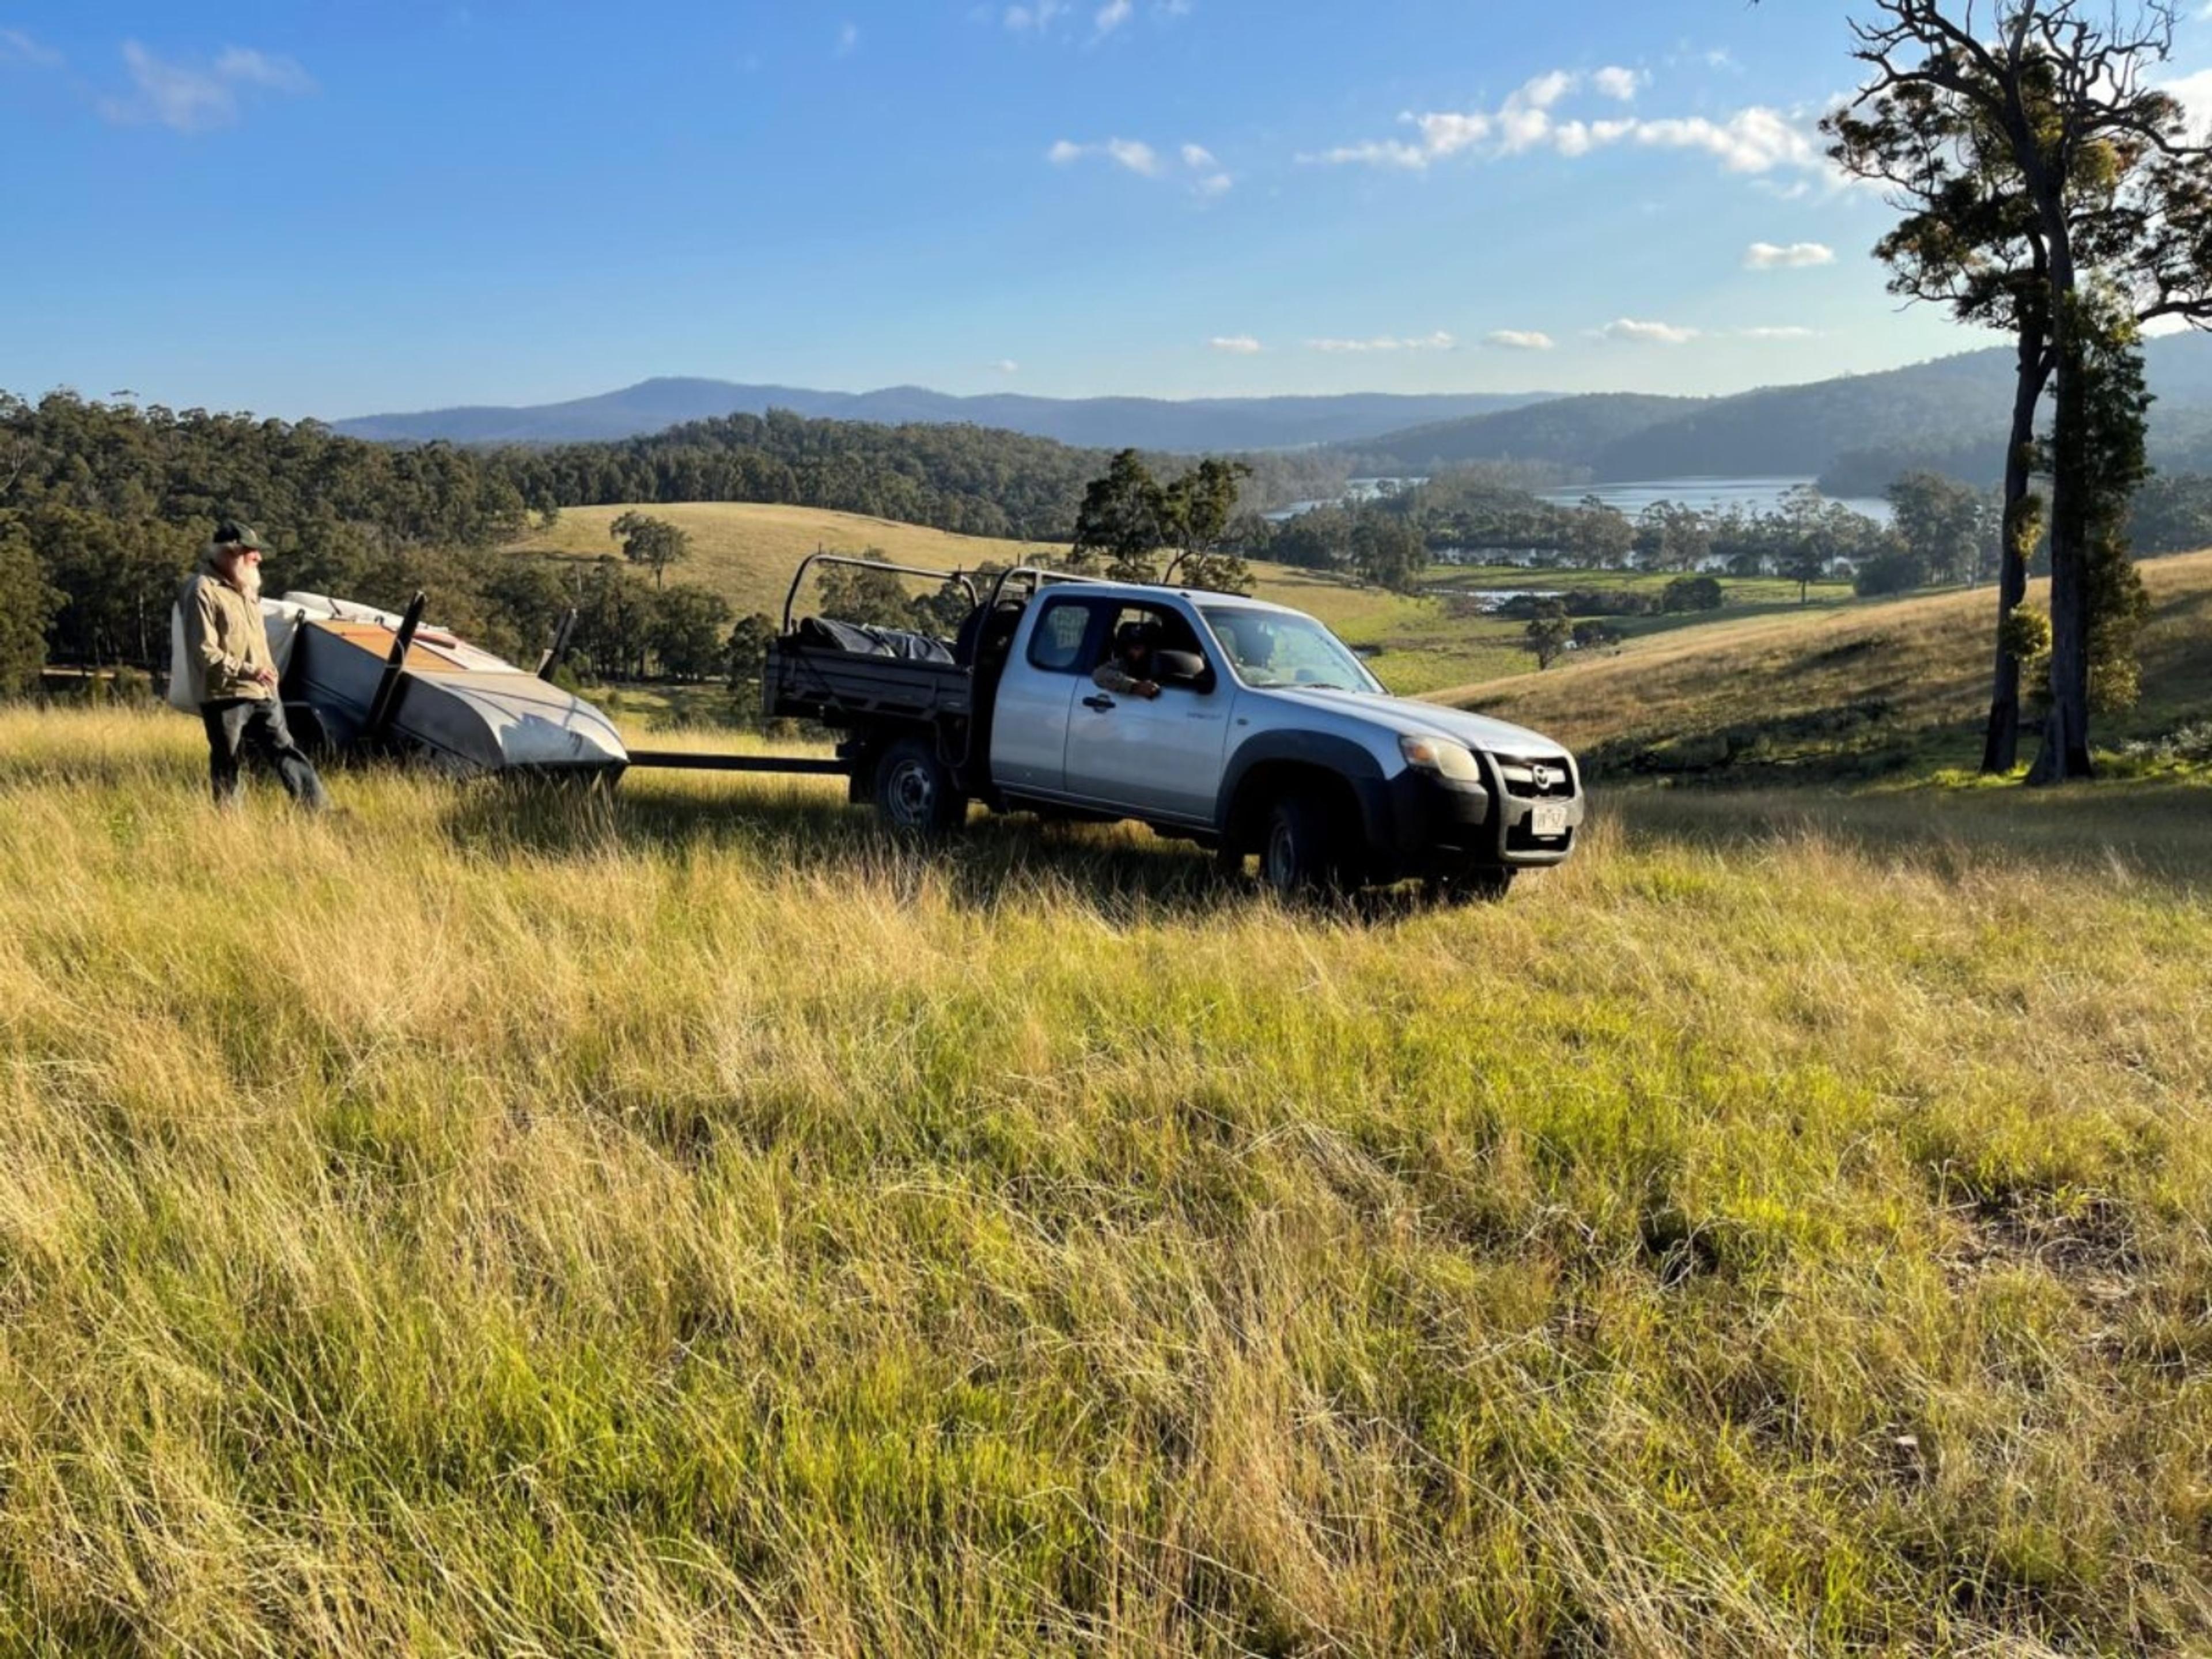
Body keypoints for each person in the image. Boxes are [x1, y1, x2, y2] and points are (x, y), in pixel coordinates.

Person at [177, 521, 329, 811]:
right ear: (230, 553)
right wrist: (249, 671)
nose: (258, 558)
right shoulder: (202, 590)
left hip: (263, 691)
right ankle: (229, 824)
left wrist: (268, 677)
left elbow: (256, 643)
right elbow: (204, 652)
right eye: (252, 552)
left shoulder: (247, 590)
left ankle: (318, 811)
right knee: (228, 759)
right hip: (224, 695)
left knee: (286, 750)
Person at [1092, 618, 1161, 699]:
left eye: (1137, 648)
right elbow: (1099, 674)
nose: (1130, 652)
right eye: (1128, 647)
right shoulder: (1124, 662)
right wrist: (1134, 686)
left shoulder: (1159, 666)